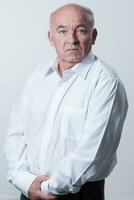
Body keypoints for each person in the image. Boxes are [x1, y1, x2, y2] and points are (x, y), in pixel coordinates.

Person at [4, 3, 128, 200]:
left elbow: (92, 153)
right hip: (30, 190)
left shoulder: (105, 82)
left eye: (81, 30)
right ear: (50, 38)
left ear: (93, 36)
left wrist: (48, 187)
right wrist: (24, 181)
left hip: (79, 195)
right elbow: (16, 134)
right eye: (62, 31)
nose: (72, 39)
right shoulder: (37, 77)